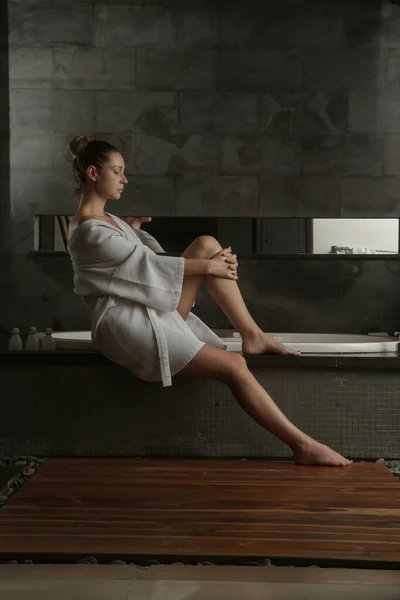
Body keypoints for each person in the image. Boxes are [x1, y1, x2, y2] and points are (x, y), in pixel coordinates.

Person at [67, 135, 352, 468]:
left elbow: (136, 258)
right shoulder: (88, 232)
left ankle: (252, 334)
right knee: (234, 366)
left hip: (148, 308)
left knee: (205, 243)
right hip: (127, 324)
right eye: (117, 171)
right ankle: (304, 446)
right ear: (92, 173)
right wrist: (212, 267)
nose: (125, 179)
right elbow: (145, 266)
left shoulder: (110, 221)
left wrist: (134, 228)